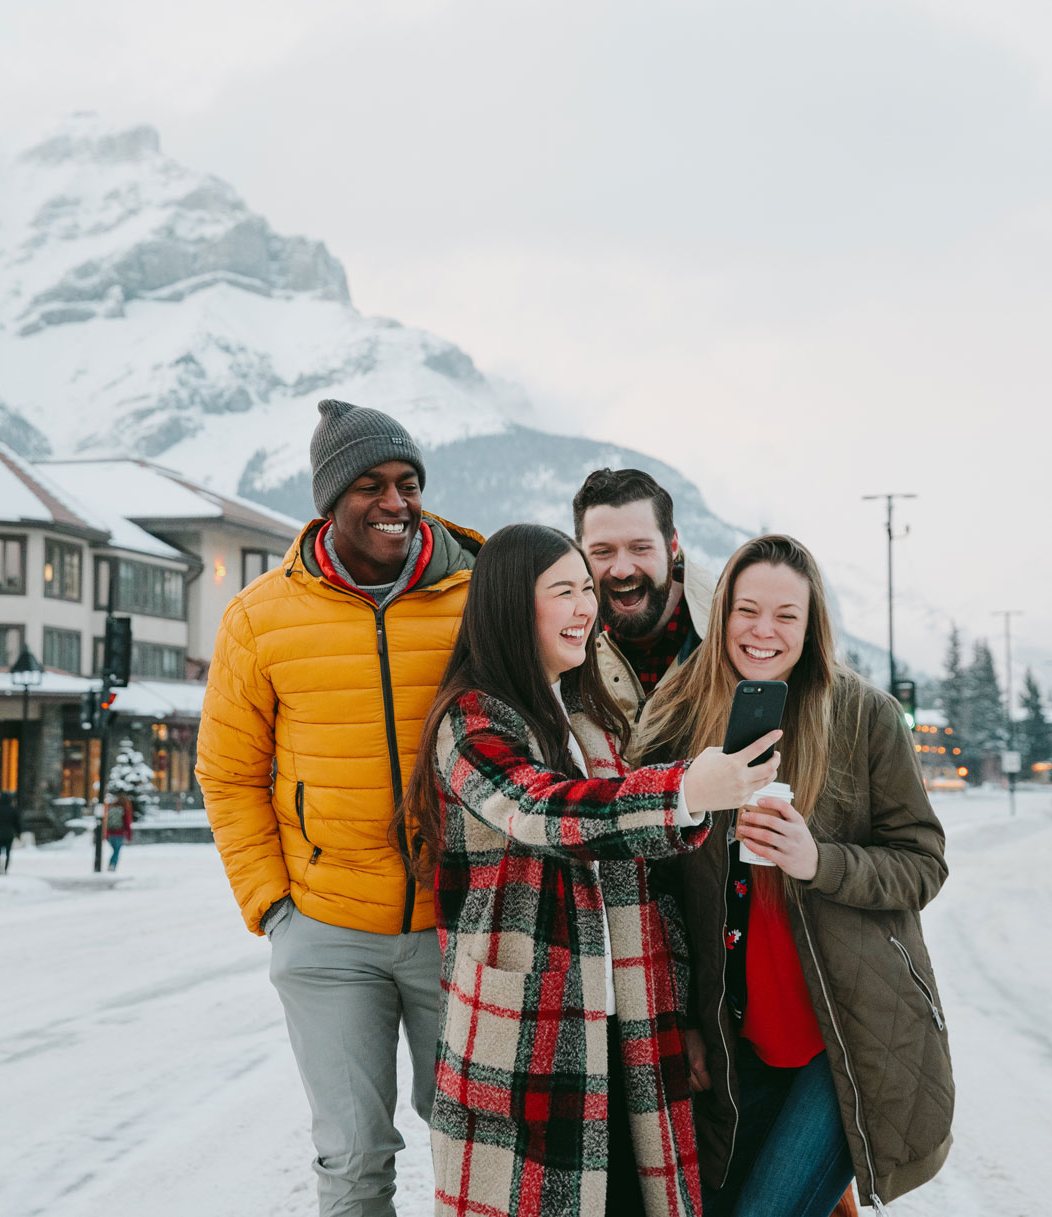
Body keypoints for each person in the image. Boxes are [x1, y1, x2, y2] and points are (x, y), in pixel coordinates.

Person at [399, 523, 782, 1217]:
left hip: (629, 1023)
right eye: (563, 591)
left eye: (586, 590)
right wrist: (686, 791)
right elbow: (539, 812)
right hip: (526, 1028)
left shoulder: (589, 720)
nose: (585, 608)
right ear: (513, 606)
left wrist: (683, 1015)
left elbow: (641, 880)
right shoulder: (471, 718)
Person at [196, 399, 483, 1217]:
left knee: (473, 1140)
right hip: (326, 929)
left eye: (408, 482)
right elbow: (226, 771)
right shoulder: (259, 616)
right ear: (328, 500)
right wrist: (273, 906)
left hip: (453, 924)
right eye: (370, 484)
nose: (396, 501)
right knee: (352, 1157)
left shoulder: (476, 597)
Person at [638, 535, 953, 1216]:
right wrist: (683, 1021)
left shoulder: (861, 713)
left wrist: (818, 861)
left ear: (811, 627)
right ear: (719, 613)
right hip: (736, 1039)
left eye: (786, 615)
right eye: (747, 610)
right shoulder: (678, 714)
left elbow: (923, 861)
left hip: (848, 1034)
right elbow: (651, 883)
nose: (762, 630)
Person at [573, 468, 715, 736]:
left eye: (640, 548)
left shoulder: (732, 631)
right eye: (603, 552)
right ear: (578, 552)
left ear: (671, 546)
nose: (622, 570)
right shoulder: (557, 645)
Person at [0, 791, 21, 874]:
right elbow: (17, 822)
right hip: (9, 835)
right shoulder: (12, 810)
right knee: (7, 853)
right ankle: (5, 869)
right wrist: (18, 832)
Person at [104, 792, 133, 871]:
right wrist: (129, 835)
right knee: (116, 851)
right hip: (119, 834)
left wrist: (106, 834)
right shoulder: (124, 810)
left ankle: (111, 865)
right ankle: (112, 866)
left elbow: (106, 821)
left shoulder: (112, 807)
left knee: (114, 851)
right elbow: (127, 823)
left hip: (110, 833)